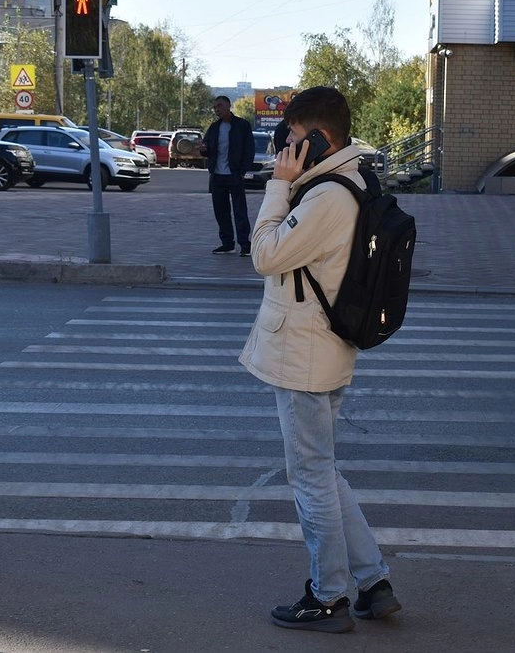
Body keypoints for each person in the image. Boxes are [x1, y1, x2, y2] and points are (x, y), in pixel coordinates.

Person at [238, 86, 400, 634]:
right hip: (322, 348)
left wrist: (277, 186)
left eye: (291, 137)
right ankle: (373, 582)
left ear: (318, 138)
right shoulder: (348, 180)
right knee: (323, 471)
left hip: (306, 355)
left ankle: (328, 596)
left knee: (310, 478)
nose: (284, 148)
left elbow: (265, 254)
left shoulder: (327, 196)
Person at [200, 95, 255, 257]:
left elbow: (249, 150)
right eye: (215, 107)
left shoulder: (242, 125)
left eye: (220, 106)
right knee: (221, 211)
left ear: (229, 106)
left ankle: (245, 245)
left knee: (240, 211)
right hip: (217, 176)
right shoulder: (214, 127)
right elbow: (207, 149)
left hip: (235, 175)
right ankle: (227, 244)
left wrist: (242, 171)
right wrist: (203, 150)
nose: (217, 109)